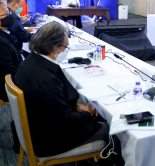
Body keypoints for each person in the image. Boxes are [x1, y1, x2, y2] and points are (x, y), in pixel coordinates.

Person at [13, 22, 121, 161]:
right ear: (54, 49)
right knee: (114, 131)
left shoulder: (30, 62)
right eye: (65, 47)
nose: (67, 50)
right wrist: (87, 115)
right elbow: (66, 121)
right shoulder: (46, 79)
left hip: (38, 125)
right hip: (49, 140)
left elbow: (50, 105)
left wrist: (75, 107)